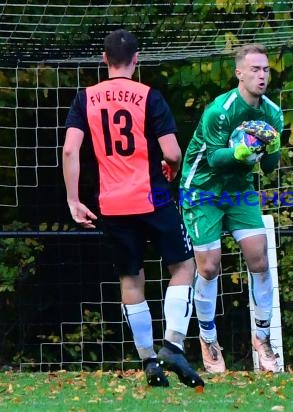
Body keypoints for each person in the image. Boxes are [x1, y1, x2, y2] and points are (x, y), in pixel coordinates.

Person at [62, 29, 204, 388]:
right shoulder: (148, 96)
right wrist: (170, 166)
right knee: (184, 266)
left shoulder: (86, 98)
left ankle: (149, 362)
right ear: (136, 59)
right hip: (151, 196)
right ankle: (173, 343)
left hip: (111, 203)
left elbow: (69, 150)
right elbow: (172, 151)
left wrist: (73, 199)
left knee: (131, 278)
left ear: (104, 59)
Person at [179, 43, 283, 373]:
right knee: (209, 267)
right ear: (239, 73)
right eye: (254, 69)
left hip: (239, 190)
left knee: (259, 258)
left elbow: (269, 168)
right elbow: (213, 159)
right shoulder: (219, 111)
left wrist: (274, 147)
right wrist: (240, 153)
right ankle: (208, 339)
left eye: (265, 69)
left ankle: (263, 338)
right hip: (202, 190)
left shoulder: (272, 113)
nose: (261, 75)